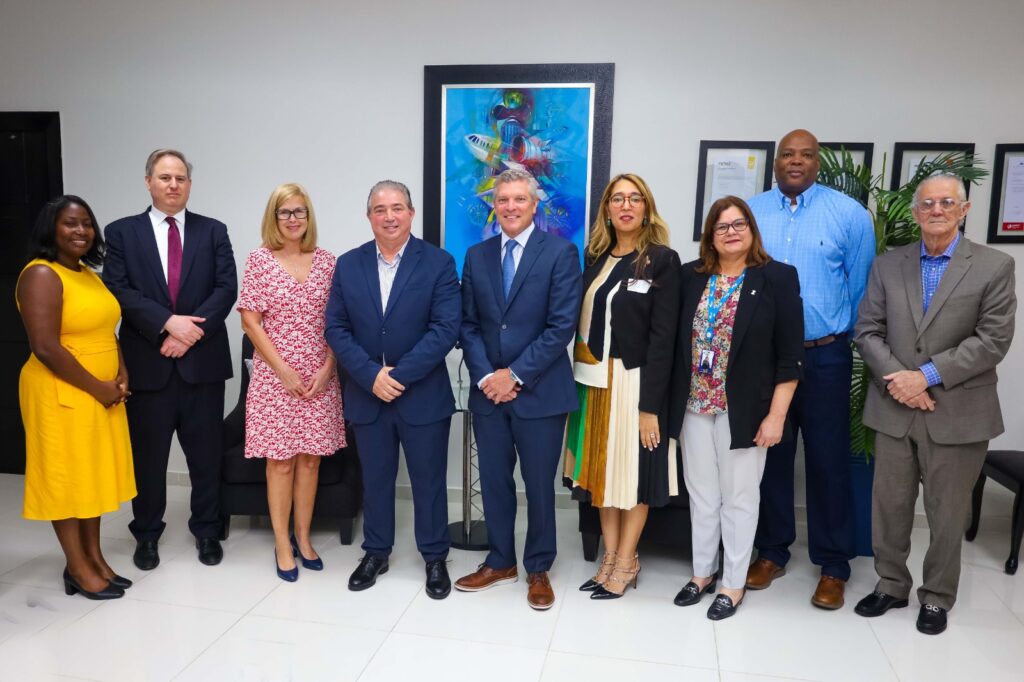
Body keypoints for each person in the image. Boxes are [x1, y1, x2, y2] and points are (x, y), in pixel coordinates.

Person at [853, 173, 1016, 635]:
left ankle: (937, 596)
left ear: (964, 210)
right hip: (893, 408)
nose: (937, 210)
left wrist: (922, 376)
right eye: (927, 204)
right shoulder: (888, 265)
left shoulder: (993, 265)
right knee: (890, 504)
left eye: (947, 202)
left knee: (946, 511)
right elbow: (868, 331)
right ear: (915, 212)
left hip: (959, 412)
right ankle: (890, 584)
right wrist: (900, 384)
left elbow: (992, 340)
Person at [745, 129, 875, 609]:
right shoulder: (752, 213)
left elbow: (861, 291)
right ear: (775, 161)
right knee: (770, 456)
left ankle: (834, 565)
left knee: (828, 460)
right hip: (764, 359)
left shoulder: (850, 215)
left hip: (825, 355)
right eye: (787, 154)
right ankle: (772, 552)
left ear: (817, 162)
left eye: (806, 155)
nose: (796, 161)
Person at [669, 196, 803, 620]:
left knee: (740, 498)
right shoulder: (692, 277)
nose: (730, 231)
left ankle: (733, 583)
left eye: (738, 224)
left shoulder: (777, 278)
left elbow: (790, 356)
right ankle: (702, 573)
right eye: (721, 225)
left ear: (751, 229)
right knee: (702, 496)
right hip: (694, 404)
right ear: (710, 233)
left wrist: (776, 416)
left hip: (743, 409)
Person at [325, 180, 460, 599]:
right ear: (369, 216)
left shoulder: (438, 262)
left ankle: (435, 557)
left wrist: (398, 376)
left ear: (411, 213)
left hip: (422, 394)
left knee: (429, 480)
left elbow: (445, 328)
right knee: (377, 479)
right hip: (368, 395)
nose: (389, 216)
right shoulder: (348, 265)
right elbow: (336, 327)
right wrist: (370, 375)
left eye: (397, 207)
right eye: (380, 209)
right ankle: (376, 552)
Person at [103, 149, 237, 570]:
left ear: (190, 185)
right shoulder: (121, 232)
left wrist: (188, 333)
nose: (173, 185)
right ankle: (146, 535)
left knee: (205, 455)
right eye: (164, 177)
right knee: (148, 458)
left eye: (180, 178)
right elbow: (119, 289)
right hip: (148, 365)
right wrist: (166, 324)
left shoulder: (213, 231)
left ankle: (207, 531)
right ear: (148, 182)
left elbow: (225, 288)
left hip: (201, 366)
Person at [455, 168, 583, 610]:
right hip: (488, 391)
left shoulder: (561, 253)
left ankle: (538, 566)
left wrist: (516, 375)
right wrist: (488, 376)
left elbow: (561, 325)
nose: (510, 206)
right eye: (503, 199)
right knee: (493, 481)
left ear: (534, 204)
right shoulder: (476, 255)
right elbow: (468, 325)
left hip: (541, 393)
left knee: (538, 486)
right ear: (496, 204)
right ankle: (500, 559)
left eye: (519, 199)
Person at [563, 173, 680, 600]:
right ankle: (609, 558)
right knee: (601, 476)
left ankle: (628, 561)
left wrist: (651, 407)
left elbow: (664, 340)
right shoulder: (595, 259)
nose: (626, 206)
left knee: (632, 478)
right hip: (592, 383)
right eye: (617, 199)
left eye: (635, 199)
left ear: (646, 208)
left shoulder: (662, 261)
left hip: (635, 385)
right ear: (607, 210)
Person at [17, 195, 136, 600]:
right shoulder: (41, 275)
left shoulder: (87, 273)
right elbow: (46, 347)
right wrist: (99, 387)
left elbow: (108, 329)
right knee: (68, 480)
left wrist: (121, 372)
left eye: (86, 223)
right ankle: (78, 568)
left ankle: (95, 558)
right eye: (70, 223)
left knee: (92, 476)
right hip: (60, 392)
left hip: (99, 391)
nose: (81, 231)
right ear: (51, 228)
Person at [238, 183, 345, 581]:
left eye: (300, 211)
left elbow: (340, 321)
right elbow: (250, 320)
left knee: (311, 461)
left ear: (309, 216)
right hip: (274, 378)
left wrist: (329, 366)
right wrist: (282, 369)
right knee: (280, 463)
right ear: (273, 217)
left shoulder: (328, 262)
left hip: (320, 376)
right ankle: (282, 542)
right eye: (285, 212)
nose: (293, 219)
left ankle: (303, 537)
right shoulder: (260, 261)